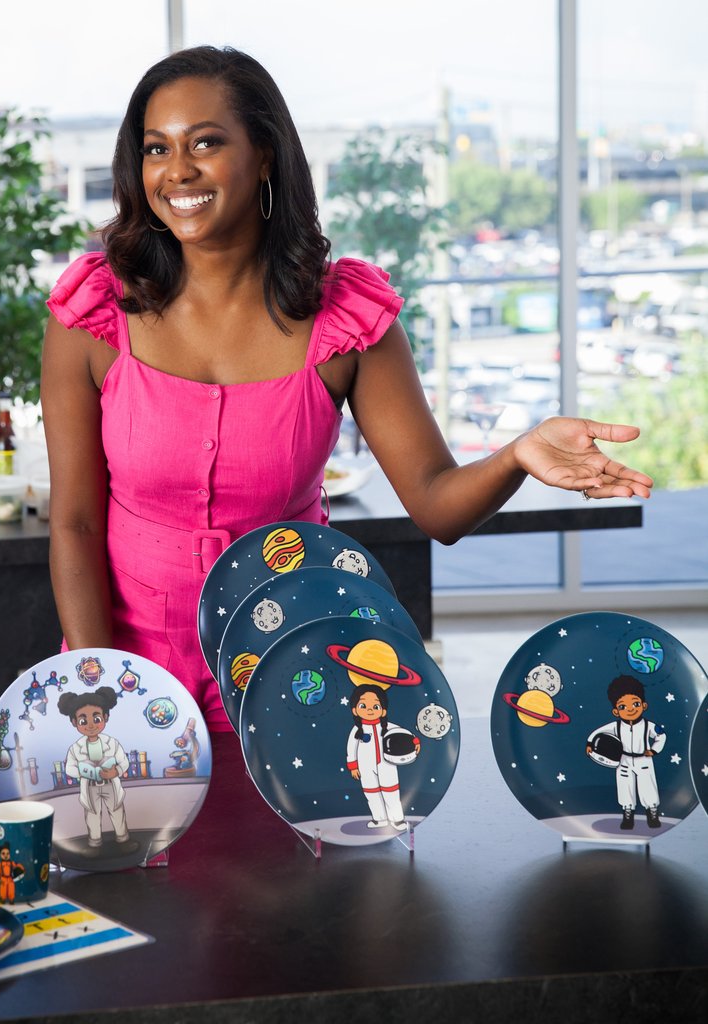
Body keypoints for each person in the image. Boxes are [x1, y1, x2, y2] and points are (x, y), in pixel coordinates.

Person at [41, 45, 652, 734]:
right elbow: (76, 523)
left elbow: (436, 507)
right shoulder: (94, 312)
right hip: (125, 676)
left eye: (206, 142)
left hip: (295, 674)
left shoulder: (347, 319)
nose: (178, 170)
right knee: (135, 847)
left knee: (285, 846)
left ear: (265, 154)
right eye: (157, 148)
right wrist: (100, 689)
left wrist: (517, 453)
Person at [586, 675, 665, 830]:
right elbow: (598, 732)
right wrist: (590, 743)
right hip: (623, 761)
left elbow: (660, 736)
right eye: (623, 706)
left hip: (643, 759)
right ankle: (628, 814)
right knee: (625, 787)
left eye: (635, 704)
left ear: (644, 705)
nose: (630, 709)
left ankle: (652, 812)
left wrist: (654, 750)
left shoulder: (648, 725)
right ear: (616, 711)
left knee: (647, 786)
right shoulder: (616, 726)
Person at [59, 687, 131, 847]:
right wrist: (84, 771)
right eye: (83, 721)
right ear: (74, 722)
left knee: (117, 811)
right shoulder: (75, 748)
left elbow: (124, 762)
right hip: (90, 786)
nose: (90, 725)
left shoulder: (112, 743)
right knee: (92, 814)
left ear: (105, 717)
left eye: (96, 719)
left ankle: (123, 839)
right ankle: (94, 842)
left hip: (110, 784)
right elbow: (69, 768)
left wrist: (115, 772)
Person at [346, 685, 419, 832]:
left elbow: (404, 734)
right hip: (365, 767)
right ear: (355, 709)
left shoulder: (388, 727)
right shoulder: (356, 731)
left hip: (387, 765)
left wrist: (415, 742)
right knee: (371, 793)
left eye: (375, 705)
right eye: (363, 705)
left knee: (391, 792)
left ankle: (397, 819)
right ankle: (379, 819)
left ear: (383, 710)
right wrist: (353, 766)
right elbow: (351, 749)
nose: (370, 709)